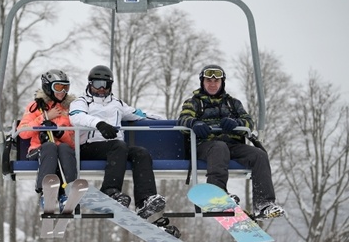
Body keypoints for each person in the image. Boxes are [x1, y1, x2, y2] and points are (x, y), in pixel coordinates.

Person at [177, 64, 285, 220]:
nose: (212, 84)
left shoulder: (232, 103)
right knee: (219, 147)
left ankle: (264, 204)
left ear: (222, 83)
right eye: (208, 81)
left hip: (233, 146)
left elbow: (248, 122)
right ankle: (217, 194)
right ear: (202, 82)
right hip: (205, 147)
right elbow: (183, 119)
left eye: (216, 81)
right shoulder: (194, 102)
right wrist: (194, 123)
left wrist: (237, 124)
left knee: (259, 155)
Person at [69, 65, 166, 219]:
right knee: (119, 145)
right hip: (89, 147)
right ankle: (109, 191)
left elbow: (138, 114)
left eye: (105, 84)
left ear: (110, 85)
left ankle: (144, 200)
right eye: (97, 84)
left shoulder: (117, 103)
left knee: (140, 152)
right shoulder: (81, 102)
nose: (101, 88)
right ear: (90, 84)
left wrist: (164, 120)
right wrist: (99, 124)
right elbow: (76, 117)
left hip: (115, 150)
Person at [18, 69, 77, 213]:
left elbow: (73, 141)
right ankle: (47, 192)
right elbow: (23, 132)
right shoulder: (36, 107)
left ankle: (67, 193)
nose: (62, 91)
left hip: (63, 152)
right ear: (47, 87)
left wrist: (60, 133)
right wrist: (44, 118)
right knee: (50, 147)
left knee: (63, 148)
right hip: (38, 151)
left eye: (66, 87)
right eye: (58, 87)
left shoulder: (68, 110)